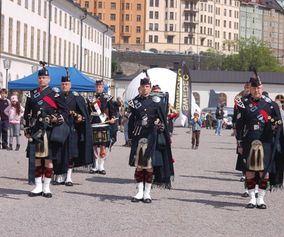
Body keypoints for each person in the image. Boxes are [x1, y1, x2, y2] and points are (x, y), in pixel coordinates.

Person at [235, 76, 282, 209]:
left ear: (263, 89)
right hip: (249, 140)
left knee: (264, 171)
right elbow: (239, 125)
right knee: (249, 171)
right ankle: (251, 198)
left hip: (266, 141)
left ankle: (261, 198)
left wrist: (275, 126)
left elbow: (277, 122)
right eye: (254, 88)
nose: (257, 90)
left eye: (259, 88)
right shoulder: (243, 103)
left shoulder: (270, 104)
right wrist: (239, 143)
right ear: (250, 88)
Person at [23, 62, 68, 198]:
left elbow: (64, 112)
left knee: (48, 160)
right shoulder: (32, 94)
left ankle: (47, 187)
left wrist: (55, 118)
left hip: (50, 129)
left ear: (49, 79)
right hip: (36, 130)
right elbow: (26, 113)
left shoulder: (55, 94)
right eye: (40, 77)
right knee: (37, 159)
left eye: (44, 78)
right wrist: (26, 128)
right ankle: (37, 186)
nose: (42, 79)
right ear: (38, 79)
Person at [128, 77, 174, 203]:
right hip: (139, 136)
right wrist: (130, 137)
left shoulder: (156, 102)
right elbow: (131, 121)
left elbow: (162, 120)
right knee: (138, 166)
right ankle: (139, 192)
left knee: (149, 166)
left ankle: (147, 193)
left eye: (147, 86)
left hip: (151, 137)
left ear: (150, 87)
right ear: (140, 87)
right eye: (143, 86)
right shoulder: (134, 102)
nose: (145, 88)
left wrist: (160, 125)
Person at [53, 70, 93, 186]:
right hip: (59, 128)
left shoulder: (76, 97)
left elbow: (84, 115)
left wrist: (80, 118)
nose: (64, 86)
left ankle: (69, 177)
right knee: (58, 153)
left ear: (70, 85)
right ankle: (60, 176)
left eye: (67, 84)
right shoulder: (56, 96)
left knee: (71, 154)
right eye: (63, 84)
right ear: (61, 85)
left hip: (72, 129)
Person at [87, 79, 116, 175]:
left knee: (103, 146)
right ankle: (94, 166)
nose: (98, 88)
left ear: (103, 87)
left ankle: (101, 165)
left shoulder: (107, 98)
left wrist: (112, 118)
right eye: (97, 86)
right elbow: (87, 112)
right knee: (94, 146)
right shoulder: (90, 98)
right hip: (93, 124)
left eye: (100, 87)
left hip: (103, 124)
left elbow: (113, 111)